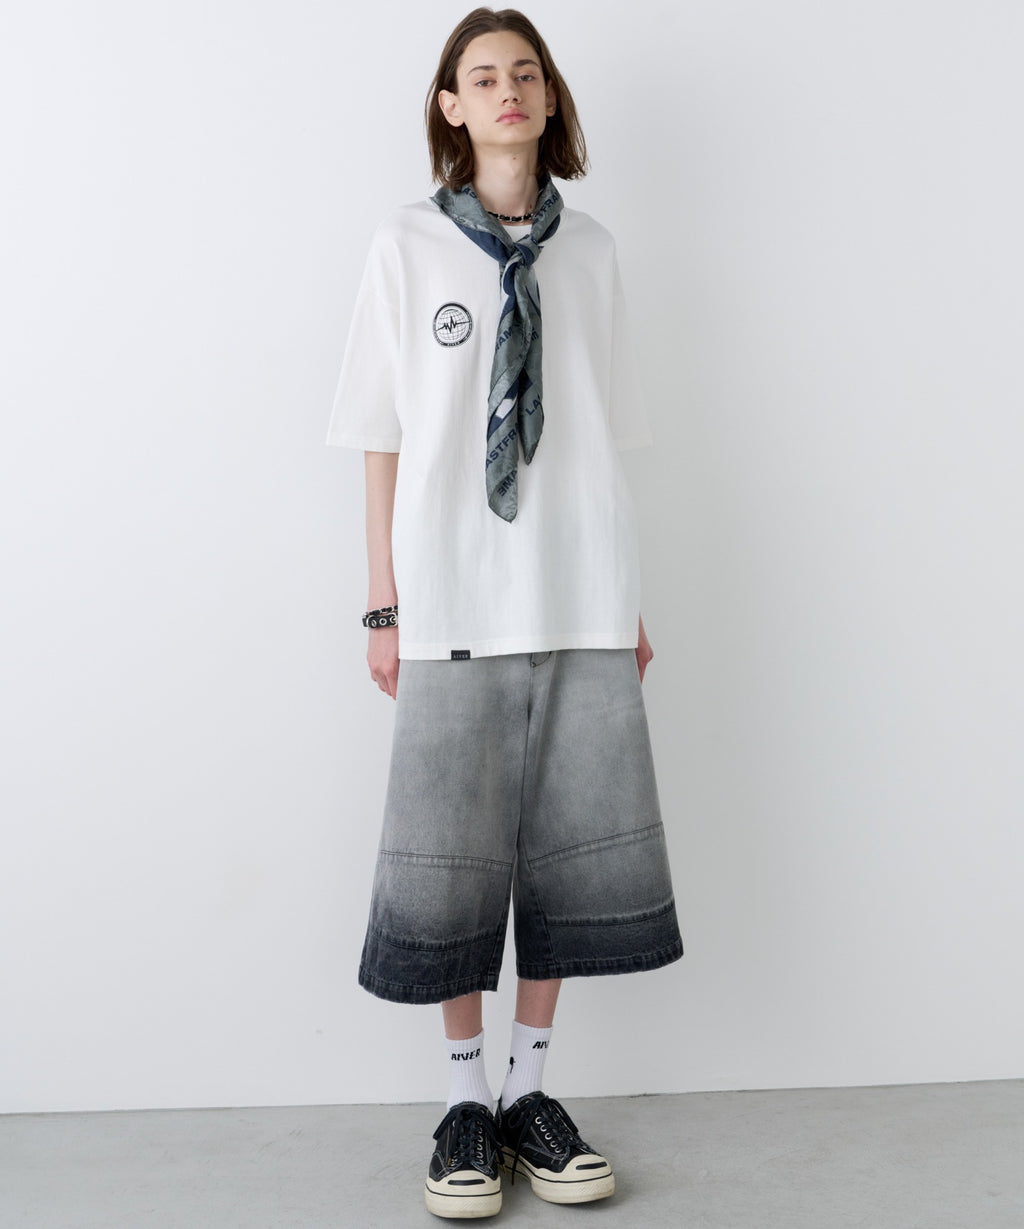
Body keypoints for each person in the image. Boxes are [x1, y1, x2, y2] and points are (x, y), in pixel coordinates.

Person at [327, 7, 683, 1219]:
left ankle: (533, 1088)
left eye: (524, 72)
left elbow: (597, 441)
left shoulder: (592, 253)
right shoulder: (408, 244)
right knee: (451, 856)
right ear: (451, 106)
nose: (506, 90)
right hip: (449, 596)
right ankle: (465, 1101)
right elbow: (378, 432)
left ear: (549, 96)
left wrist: (626, 598)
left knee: (571, 850)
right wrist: (381, 601)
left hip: (580, 589)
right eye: (481, 77)